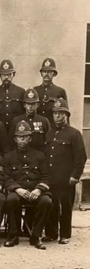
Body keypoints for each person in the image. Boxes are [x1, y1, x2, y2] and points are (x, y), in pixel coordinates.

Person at [43, 98, 87, 244]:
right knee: (52, 205)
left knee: (65, 207)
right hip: (51, 178)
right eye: (55, 113)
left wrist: (75, 176)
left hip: (66, 178)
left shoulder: (74, 134)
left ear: (66, 115)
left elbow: (80, 157)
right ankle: (51, 233)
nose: (57, 116)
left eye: (61, 113)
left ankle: (65, 235)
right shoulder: (49, 134)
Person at [4, 121, 53, 250]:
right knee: (11, 199)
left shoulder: (39, 156)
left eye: (25, 136)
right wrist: (17, 189)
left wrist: (38, 189)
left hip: (35, 190)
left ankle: (35, 236)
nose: (22, 139)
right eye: (19, 136)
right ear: (15, 139)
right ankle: (13, 235)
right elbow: (6, 178)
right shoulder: (8, 157)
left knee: (46, 201)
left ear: (30, 138)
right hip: (18, 190)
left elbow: (46, 177)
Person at [0, 59, 25, 131]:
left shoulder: (21, 92)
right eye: (4, 74)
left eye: (9, 74)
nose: (6, 77)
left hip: (16, 130)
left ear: (13, 75)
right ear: (0, 76)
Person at [33, 58, 67, 127]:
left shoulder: (60, 91)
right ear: (41, 73)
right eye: (44, 72)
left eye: (49, 72)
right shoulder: (35, 90)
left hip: (53, 126)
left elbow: (65, 114)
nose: (46, 74)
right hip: (38, 126)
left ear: (54, 74)